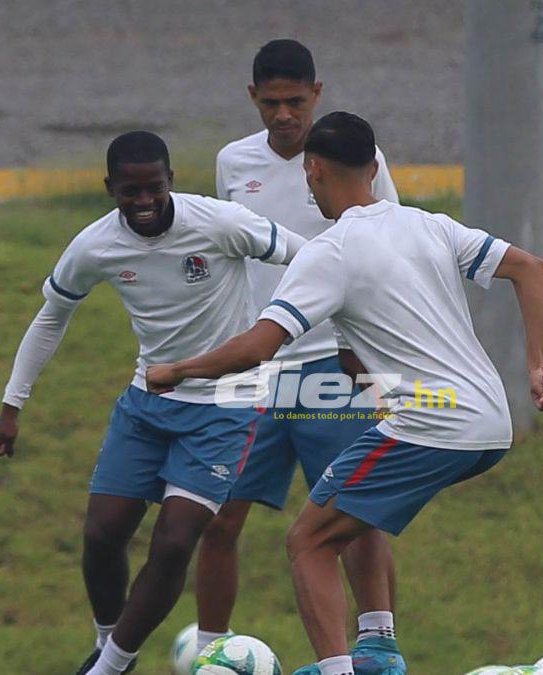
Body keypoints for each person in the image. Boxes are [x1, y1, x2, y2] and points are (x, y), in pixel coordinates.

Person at [146, 111, 543, 675]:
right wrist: (539, 365)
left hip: (433, 427)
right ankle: (378, 647)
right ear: (373, 167)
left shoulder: (330, 251)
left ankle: (347, 668)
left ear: (313, 171)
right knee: (348, 507)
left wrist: (177, 372)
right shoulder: (429, 225)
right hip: (489, 425)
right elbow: (530, 268)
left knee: (308, 542)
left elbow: (256, 350)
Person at [0, 130, 307, 675]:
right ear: (110, 187)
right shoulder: (95, 246)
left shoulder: (220, 223)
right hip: (147, 402)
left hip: (227, 404)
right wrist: (12, 406)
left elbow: (310, 259)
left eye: (153, 188)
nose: (143, 202)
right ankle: (111, 645)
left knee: (175, 542)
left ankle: (108, 667)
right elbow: (50, 318)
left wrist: (295, 328)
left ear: (171, 182)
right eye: (129, 191)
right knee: (101, 533)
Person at [187, 38, 404, 673]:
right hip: (254, 371)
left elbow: (386, 243)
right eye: (272, 102)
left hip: (334, 363)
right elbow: (229, 247)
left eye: (295, 101)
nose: (284, 114)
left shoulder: (354, 158)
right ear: (253, 98)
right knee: (218, 516)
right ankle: (211, 653)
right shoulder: (233, 162)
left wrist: (370, 348)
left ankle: (379, 642)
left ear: (317, 94)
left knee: (354, 513)